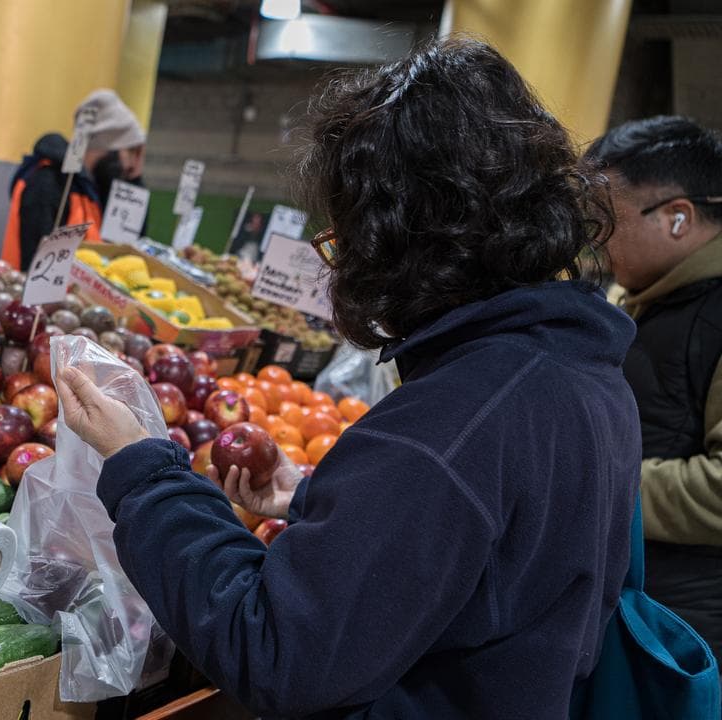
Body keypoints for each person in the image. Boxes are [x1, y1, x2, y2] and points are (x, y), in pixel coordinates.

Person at [56, 38, 639, 718]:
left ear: (398, 235)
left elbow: (274, 651)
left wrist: (141, 467)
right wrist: (324, 502)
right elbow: (487, 556)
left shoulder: (450, 425)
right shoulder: (582, 373)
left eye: (343, 237)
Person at [585, 116, 722, 660]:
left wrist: (597, 479)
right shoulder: (646, 299)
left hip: (690, 637)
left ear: (677, 219)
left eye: (606, 221)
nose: (594, 241)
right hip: (639, 611)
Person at [1, 89, 146, 270]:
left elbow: (129, 249)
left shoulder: (95, 189)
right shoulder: (48, 183)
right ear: (110, 148)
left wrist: (135, 179)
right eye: (131, 152)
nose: (131, 164)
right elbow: (38, 270)